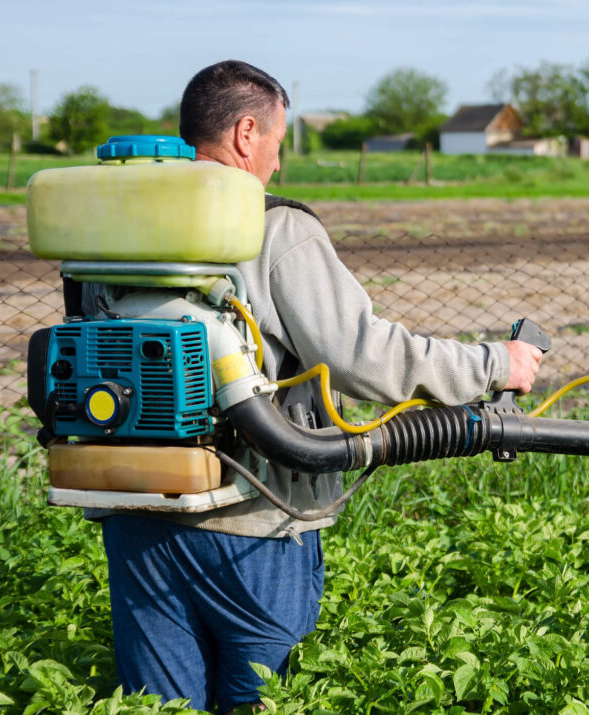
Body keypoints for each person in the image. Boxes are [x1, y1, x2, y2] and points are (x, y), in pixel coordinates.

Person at [96, 60, 544, 713]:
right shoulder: (275, 227)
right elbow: (362, 354)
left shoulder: (115, 224)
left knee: (156, 706)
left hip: (135, 517)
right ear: (247, 134)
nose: (277, 164)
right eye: (277, 143)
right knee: (262, 700)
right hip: (250, 523)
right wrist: (494, 364)